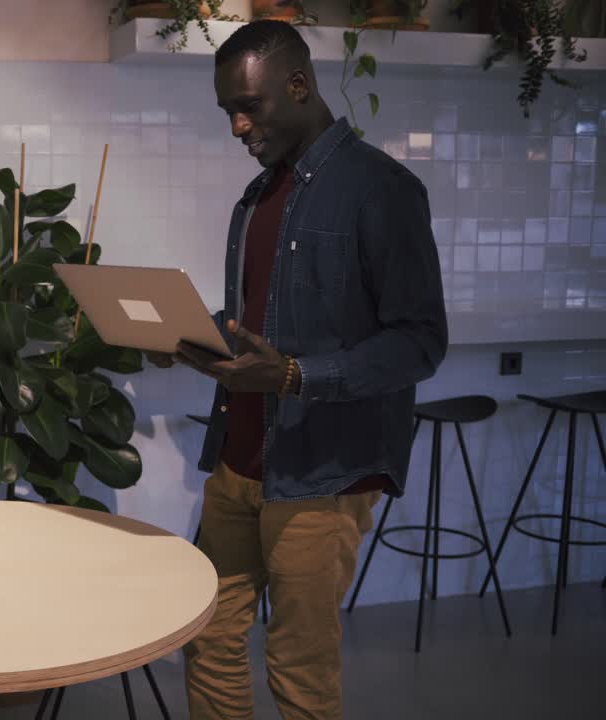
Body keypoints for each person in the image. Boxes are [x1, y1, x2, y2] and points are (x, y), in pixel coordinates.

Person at [146, 20, 449, 720]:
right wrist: (190, 341)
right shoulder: (255, 199)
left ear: (300, 85)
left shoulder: (383, 189)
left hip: (324, 473)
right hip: (240, 464)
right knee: (209, 637)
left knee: (298, 665)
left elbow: (420, 343)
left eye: (249, 107)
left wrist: (293, 377)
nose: (238, 127)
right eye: (228, 112)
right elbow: (262, 320)